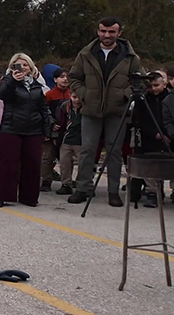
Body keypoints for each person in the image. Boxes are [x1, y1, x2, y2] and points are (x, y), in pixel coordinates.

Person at [68, 17, 144, 207]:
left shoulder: (129, 56)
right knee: (87, 150)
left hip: (117, 111)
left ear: (119, 33)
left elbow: (141, 80)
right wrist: (84, 94)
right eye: (103, 31)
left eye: (111, 31)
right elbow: (74, 77)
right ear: (98, 31)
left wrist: (124, 95)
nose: (107, 35)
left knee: (114, 152)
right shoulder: (86, 54)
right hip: (91, 110)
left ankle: (113, 191)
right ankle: (82, 188)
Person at [0, 55, 53, 208]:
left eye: (25, 64)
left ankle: (29, 197)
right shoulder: (8, 80)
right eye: (18, 65)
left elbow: (43, 107)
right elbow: (3, 96)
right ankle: (4, 196)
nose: (23, 68)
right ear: (12, 67)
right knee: (9, 163)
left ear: (31, 66)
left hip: (33, 128)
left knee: (33, 163)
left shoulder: (36, 84)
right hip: (11, 127)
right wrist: (14, 81)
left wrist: (46, 129)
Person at [134, 71, 169, 207]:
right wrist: (154, 133)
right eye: (150, 86)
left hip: (168, 135)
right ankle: (152, 192)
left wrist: (167, 134)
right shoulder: (143, 100)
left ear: (164, 84)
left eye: (156, 85)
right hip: (149, 137)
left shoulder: (169, 99)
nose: (153, 89)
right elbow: (139, 120)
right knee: (150, 165)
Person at [57, 92, 85, 196]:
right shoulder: (65, 106)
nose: (77, 100)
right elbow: (60, 121)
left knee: (83, 163)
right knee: (64, 163)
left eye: (79, 97)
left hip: (81, 140)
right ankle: (66, 184)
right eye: (74, 97)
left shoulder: (86, 107)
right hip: (67, 139)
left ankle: (82, 185)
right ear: (70, 96)